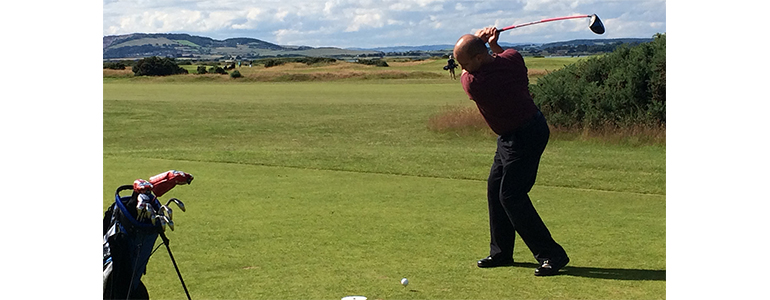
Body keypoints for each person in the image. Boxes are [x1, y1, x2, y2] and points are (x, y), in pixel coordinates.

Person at [453, 27, 569, 276]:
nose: (461, 67)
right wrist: (492, 44)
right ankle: (502, 252)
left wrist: (483, 43)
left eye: (464, 62)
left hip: (527, 135)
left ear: (478, 59)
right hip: (510, 136)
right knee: (495, 189)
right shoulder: (513, 60)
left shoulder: (476, 83)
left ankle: (552, 254)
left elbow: (465, 75)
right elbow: (504, 53)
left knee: (511, 195)